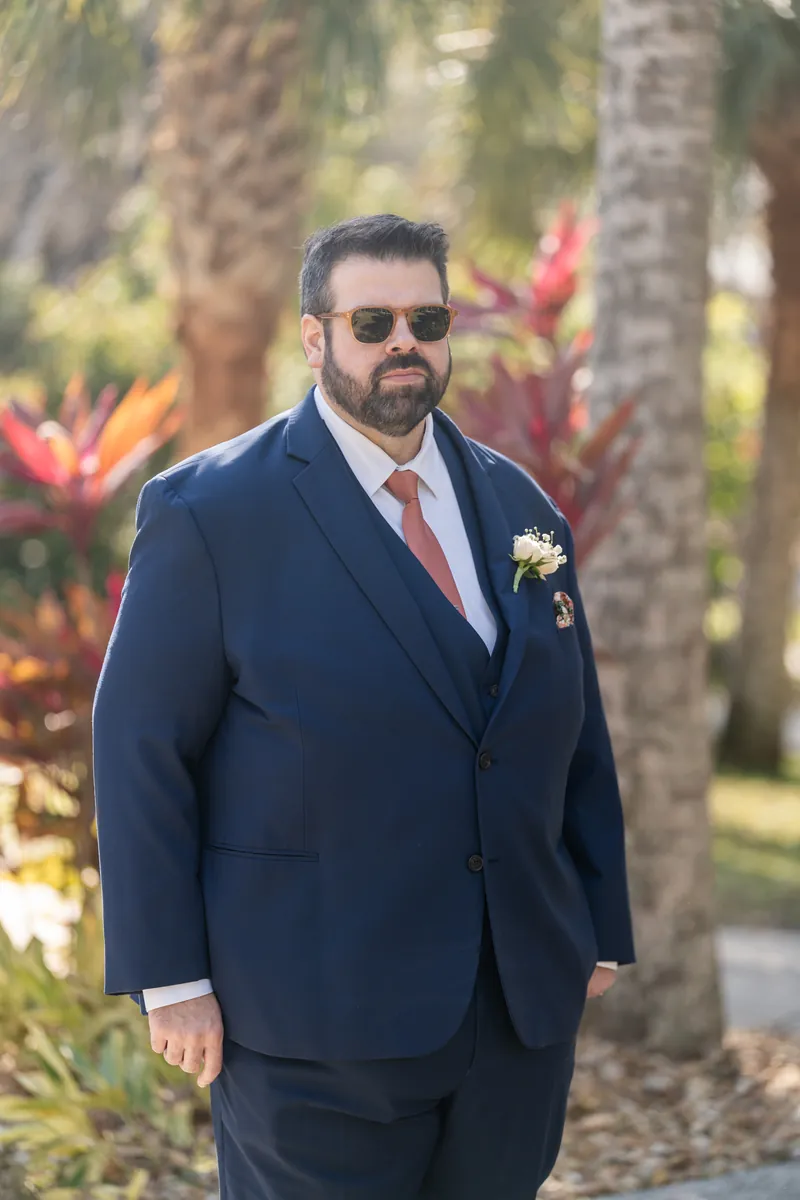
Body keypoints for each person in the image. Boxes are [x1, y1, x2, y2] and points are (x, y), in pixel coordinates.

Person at [93, 213, 636, 1200]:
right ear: (315, 336)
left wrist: (596, 927)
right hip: (308, 1023)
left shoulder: (521, 511)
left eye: (425, 319)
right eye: (372, 319)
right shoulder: (208, 514)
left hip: (512, 1021)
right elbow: (140, 750)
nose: (403, 343)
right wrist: (170, 981)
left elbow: (571, 730)